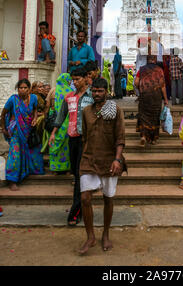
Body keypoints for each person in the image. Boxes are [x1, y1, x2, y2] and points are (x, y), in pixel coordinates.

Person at [78, 77, 126, 255]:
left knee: (108, 198)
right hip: (89, 158)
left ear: (106, 91)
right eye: (94, 90)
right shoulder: (86, 112)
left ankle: (106, 233)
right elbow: (84, 137)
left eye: (100, 91)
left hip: (109, 159)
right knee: (85, 198)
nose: (97, 94)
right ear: (91, 91)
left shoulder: (116, 110)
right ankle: (90, 237)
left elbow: (120, 137)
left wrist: (117, 159)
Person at [49, 67, 93, 226]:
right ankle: (83, 204)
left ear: (85, 79)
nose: (74, 82)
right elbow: (61, 115)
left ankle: (75, 212)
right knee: (75, 173)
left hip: (86, 140)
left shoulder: (92, 97)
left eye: (77, 79)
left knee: (80, 173)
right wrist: (54, 132)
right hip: (72, 139)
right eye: (73, 80)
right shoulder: (69, 97)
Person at [0, 78, 44, 190]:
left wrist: (34, 118)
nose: (23, 90)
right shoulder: (13, 100)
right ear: (17, 89)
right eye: (20, 88)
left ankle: (28, 170)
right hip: (16, 130)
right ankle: (12, 180)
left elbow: (34, 110)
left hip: (28, 130)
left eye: (25, 88)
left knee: (32, 150)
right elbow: (3, 114)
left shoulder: (33, 98)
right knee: (15, 154)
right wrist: (4, 128)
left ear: (29, 89)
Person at [134, 55, 168, 146]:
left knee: (143, 115)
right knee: (155, 116)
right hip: (156, 96)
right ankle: (153, 139)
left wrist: (141, 88)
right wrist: (165, 100)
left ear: (147, 60)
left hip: (144, 95)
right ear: (155, 60)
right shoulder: (159, 70)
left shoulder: (141, 69)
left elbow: (136, 82)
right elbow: (163, 86)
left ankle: (144, 136)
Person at [48, 73, 72, 174]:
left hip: (54, 121)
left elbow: (47, 104)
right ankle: (65, 168)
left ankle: (55, 168)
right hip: (67, 122)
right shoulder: (70, 92)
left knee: (53, 142)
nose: (70, 82)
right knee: (65, 145)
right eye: (69, 80)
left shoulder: (53, 90)